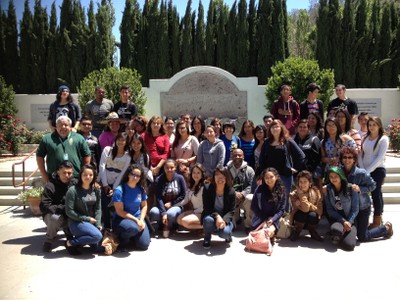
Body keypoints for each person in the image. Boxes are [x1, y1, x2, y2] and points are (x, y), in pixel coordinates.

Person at [340, 147, 393, 242]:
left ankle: (386, 228)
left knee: (362, 237)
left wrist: (360, 189)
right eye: (345, 157)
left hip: (362, 207)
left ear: (354, 159)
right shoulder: (340, 172)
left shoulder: (361, 173)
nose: (347, 160)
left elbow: (373, 185)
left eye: (350, 157)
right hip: (348, 208)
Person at [258, 120, 306, 210]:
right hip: (270, 176)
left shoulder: (287, 140)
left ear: (281, 128)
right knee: (271, 198)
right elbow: (262, 159)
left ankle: (286, 219)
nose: (275, 129)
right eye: (272, 127)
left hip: (285, 175)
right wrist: (263, 174)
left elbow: (301, 155)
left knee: (284, 199)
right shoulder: (267, 142)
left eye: (277, 127)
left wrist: (295, 169)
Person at [36, 116, 91, 183]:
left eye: (66, 125)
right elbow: (39, 157)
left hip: (75, 177)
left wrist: (83, 173)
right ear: (56, 126)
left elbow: (87, 155)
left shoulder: (79, 138)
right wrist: (44, 175)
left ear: (70, 126)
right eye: (60, 125)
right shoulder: (47, 139)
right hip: (54, 178)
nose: (63, 127)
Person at [358, 116, 389, 229]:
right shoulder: (365, 138)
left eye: (374, 125)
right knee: (364, 194)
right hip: (365, 170)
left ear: (379, 126)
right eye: (370, 125)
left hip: (377, 171)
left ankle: (377, 219)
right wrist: (362, 170)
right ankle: (364, 218)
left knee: (376, 194)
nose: (371, 127)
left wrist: (367, 171)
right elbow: (361, 154)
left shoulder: (383, 139)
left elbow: (380, 158)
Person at [65, 164, 103, 255]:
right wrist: (87, 219)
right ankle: (70, 243)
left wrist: (98, 223)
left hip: (91, 222)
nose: (88, 177)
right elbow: (69, 211)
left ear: (94, 176)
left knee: (99, 248)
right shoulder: (72, 190)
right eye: (85, 175)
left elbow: (98, 208)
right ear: (80, 175)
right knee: (97, 236)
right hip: (76, 222)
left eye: (91, 175)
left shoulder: (96, 190)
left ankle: (81, 241)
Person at [40, 161, 77, 252]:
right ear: (58, 172)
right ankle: (49, 239)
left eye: (69, 173)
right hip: (54, 214)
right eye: (64, 173)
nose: (67, 175)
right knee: (55, 218)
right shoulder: (50, 186)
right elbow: (44, 205)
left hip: (70, 214)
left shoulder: (75, 184)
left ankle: (69, 235)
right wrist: (61, 208)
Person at [112, 164, 151, 251]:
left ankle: (133, 237)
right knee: (133, 228)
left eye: (138, 176)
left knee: (144, 245)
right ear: (128, 174)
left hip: (137, 219)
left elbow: (144, 205)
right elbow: (120, 212)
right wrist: (136, 221)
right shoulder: (120, 190)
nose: (135, 177)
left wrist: (141, 220)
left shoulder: (140, 189)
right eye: (133, 174)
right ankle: (122, 241)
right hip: (122, 219)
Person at [98, 133, 131, 229]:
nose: (120, 142)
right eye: (118, 139)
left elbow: (123, 173)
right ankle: (107, 227)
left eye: (123, 140)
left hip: (117, 184)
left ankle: (116, 227)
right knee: (104, 204)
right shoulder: (107, 150)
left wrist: (115, 187)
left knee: (116, 204)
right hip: (104, 182)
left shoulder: (127, 156)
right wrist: (105, 184)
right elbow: (102, 166)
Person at [324, 167, 359, 251]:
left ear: (341, 176)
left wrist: (349, 222)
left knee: (349, 246)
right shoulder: (327, 189)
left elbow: (355, 209)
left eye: (336, 176)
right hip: (338, 220)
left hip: (350, 220)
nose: (333, 179)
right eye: (331, 177)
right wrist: (343, 221)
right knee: (335, 229)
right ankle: (339, 233)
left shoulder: (351, 188)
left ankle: (342, 236)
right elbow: (329, 210)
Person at [149, 159, 187, 238]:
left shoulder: (180, 178)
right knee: (153, 212)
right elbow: (158, 197)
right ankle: (163, 224)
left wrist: (172, 203)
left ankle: (171, 225)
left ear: (175, 167)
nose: (169, 170)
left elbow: (183, 195)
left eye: (171, 167)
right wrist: (163, 213)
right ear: (164, 168)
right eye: (167, 167)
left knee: (171, 214)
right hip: (162, 205)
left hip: (175, 205)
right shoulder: (159, 179)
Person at [201, 166, 235, 249]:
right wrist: (217, 216)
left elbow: (232, 210)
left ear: (226, 178)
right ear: (214, 177)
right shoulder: (207, 188)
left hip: (224, 217)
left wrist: (224, 220)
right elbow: (207, 207)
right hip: (211, 215)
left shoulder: (231, 191)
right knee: (208, 220)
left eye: (223, 176)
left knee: (225, 233)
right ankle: (207, 237)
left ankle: (228, 235)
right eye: (217, 175)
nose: (220, 178)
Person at [250, 168, 286, 243]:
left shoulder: (282, 191)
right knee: (261, 232)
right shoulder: (259, 189)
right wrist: (265, 218)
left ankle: (271, 235)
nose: (269, 180)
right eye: (266, 178)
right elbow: (254, 206)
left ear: (276, 177)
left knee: (269, 231)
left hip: (274, 218)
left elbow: (281, 210)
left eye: (271, 177)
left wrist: (272, 219)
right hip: (261, 217)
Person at [289, 170, 323, 242]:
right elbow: (305, 209)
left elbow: (319, 211)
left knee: (313, 215)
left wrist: (304, 203)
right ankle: (297, 231)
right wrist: (301, 194)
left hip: (311, 221)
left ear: (310, 183)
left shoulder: (316, 192)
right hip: (299, 220)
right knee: (302, 214)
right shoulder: (293, 194)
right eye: (300, 182)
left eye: (305, 182)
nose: (302, 184)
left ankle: (312, 232)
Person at [227, 148, 255, 232]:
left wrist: (242, 194)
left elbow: (252, 185)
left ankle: (248, 225)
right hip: (232, 197)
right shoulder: (226, 169)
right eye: (235, 155)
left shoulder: (250, 170)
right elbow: (225, 185)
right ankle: (237, 219)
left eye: (239, 155)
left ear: (243, 157)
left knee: (250, 198)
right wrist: (234, 193)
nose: (237, 157)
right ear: (231, 157)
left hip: (245, 198)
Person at [177, 163, 206, 231]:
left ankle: (208, 227)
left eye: (198, 173)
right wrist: (173, 206)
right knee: (179, 220)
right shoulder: (191, 185)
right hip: (196, 212)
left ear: (202, 174)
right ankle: (200, 228)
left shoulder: (205, 186)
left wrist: (194, 212)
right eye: (194, 172)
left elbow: (207, 205)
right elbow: (185, 201)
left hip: (204, 212)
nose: (196, 175)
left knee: (185, 221)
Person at [293, 119, 322, 187]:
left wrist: (308, 170)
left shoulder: (314, 139)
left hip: (311, 174)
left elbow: (317, 158)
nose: (302, 129)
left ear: (308, 128)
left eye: (305, 127)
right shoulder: (292, 140)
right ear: (297, 128)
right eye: (300, 127)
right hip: (296, 174)